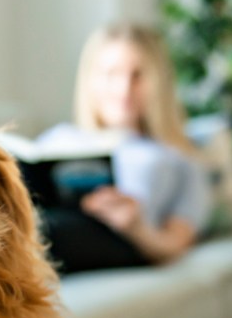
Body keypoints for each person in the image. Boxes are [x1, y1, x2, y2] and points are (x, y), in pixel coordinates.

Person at [37, 24, 209, 274]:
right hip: (41, 223)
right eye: (111, 73)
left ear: (158, 82)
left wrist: (136, 227)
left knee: (39, 231)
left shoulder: (177, 157)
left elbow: (176, 243)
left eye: (137, 75)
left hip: (119, 239)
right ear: (91, 80)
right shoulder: (57, 138)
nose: (124, 89)